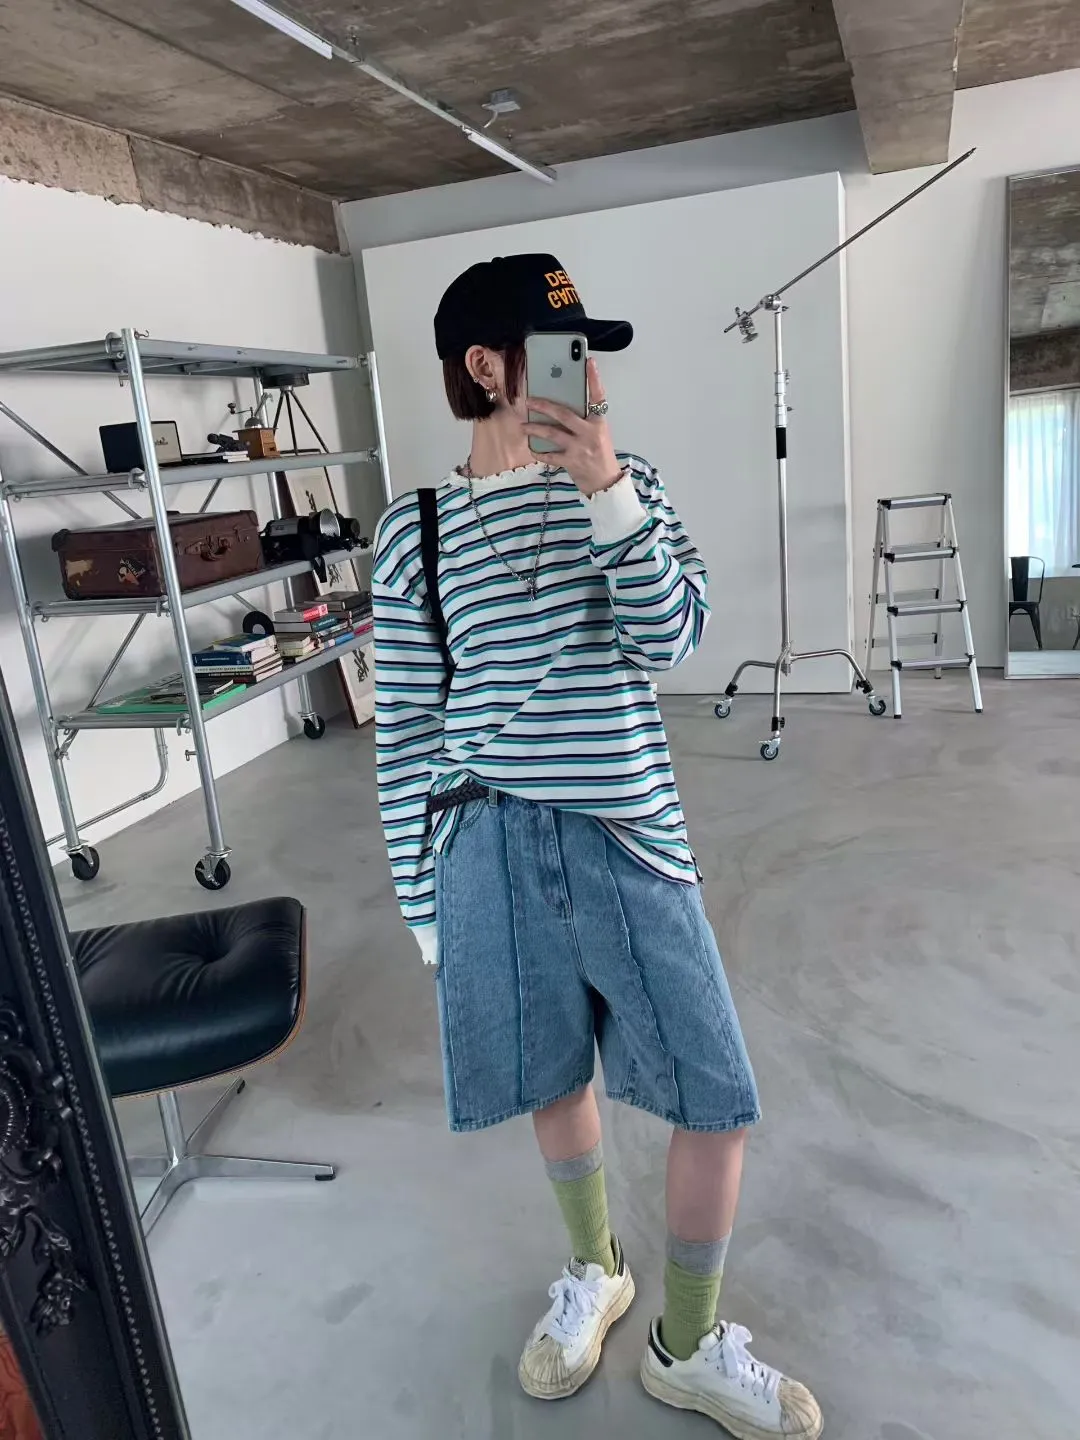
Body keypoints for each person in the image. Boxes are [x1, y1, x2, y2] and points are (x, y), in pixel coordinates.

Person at [371, 253, 822, 1438]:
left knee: (713, 1096)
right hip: (487, 848)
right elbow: (408, 732)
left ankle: (686, 1344)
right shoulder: (414, 533)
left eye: (592, 354)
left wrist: (609, 492)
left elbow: (672, 638)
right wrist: (425, 906)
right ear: (486, 367)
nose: (594, 377)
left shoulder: (630, 485)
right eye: (565, 353)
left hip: (626, 835)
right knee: (552, 1078)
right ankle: (596, 1271)